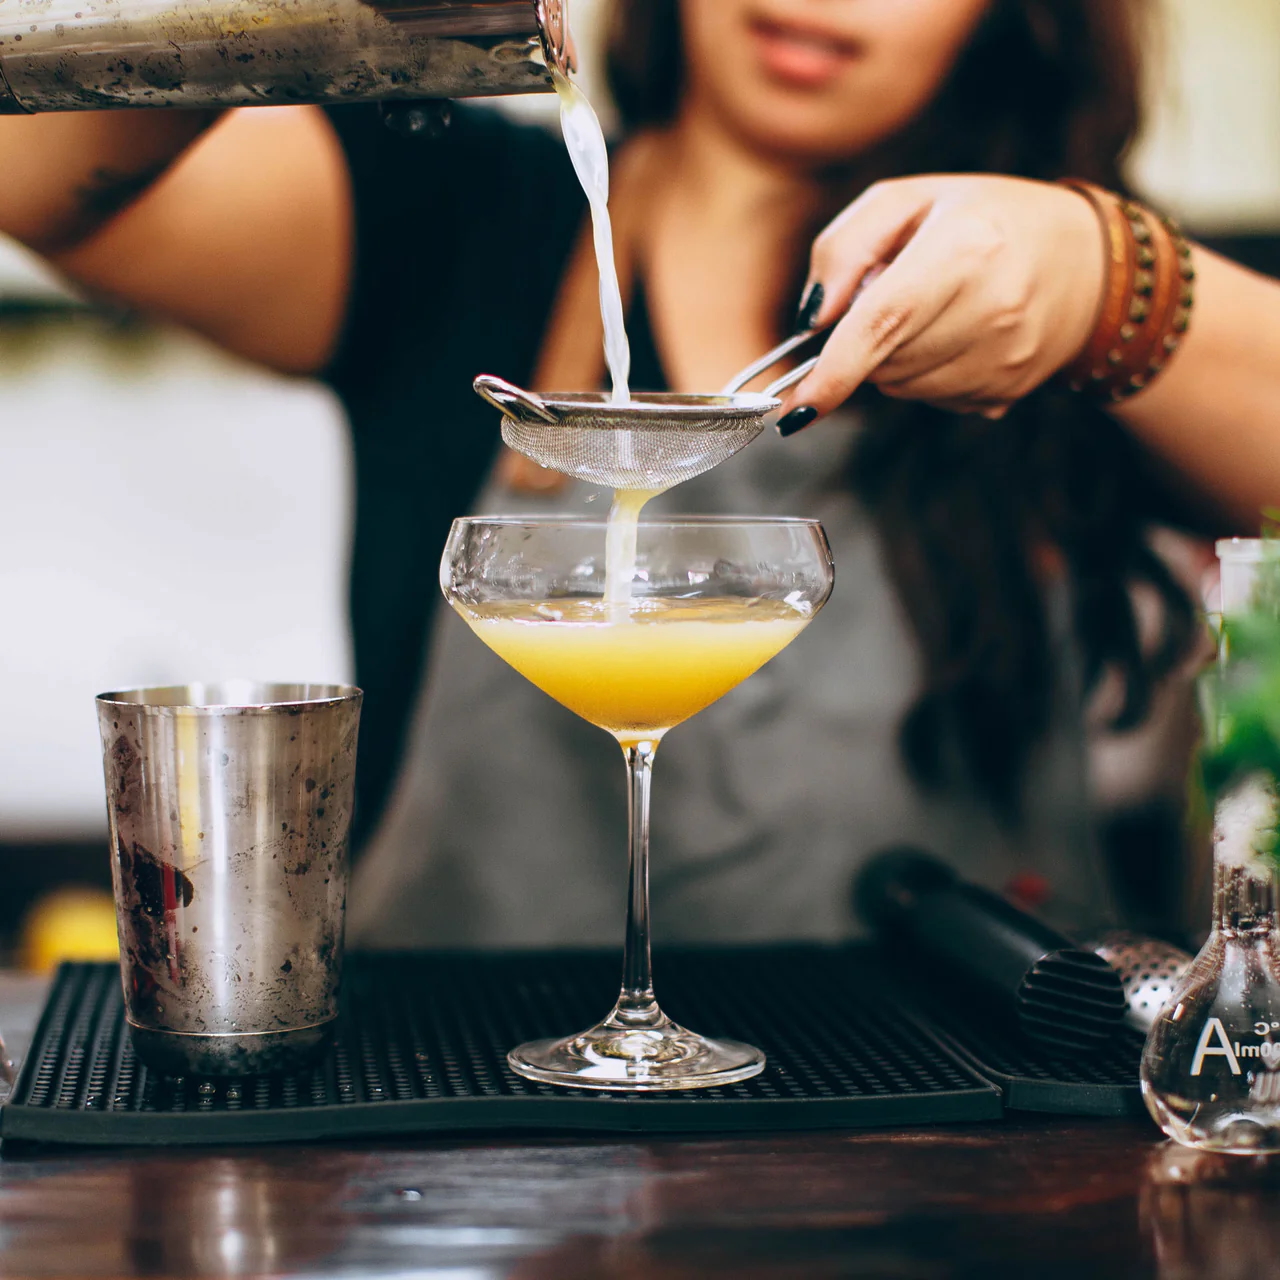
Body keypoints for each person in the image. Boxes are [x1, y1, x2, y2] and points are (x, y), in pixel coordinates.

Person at [2, 0, 1278, 945]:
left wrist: (1106, 281)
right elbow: (38, 177)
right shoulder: (460, 215)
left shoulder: (1044, 292)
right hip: (467, 1159)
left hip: (970, 1148)